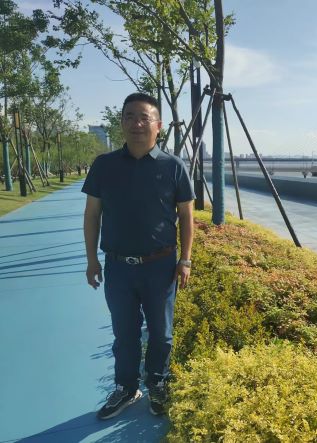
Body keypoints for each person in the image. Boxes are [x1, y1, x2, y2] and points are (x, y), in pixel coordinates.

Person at [82, 92, 195, 419]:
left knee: (161, 333)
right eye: (129, 116)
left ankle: (157, 382)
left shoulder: (173, 166)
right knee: (124, 334)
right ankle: (127, 388)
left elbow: (187, 216)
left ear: (158, 126)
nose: (136, 123)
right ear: (121, 123)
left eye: (144, 117)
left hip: (161, 267)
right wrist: (92, 260)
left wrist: (185, 260)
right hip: (118, 268)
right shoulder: (104, 166)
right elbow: (92, 215)